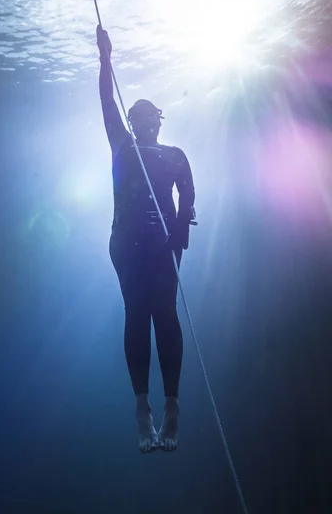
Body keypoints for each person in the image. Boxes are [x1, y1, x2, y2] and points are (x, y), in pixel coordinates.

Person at [97, 25, 196, 453]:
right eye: (135, 117)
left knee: (164, 314)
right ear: (132, 123)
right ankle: (144, 407)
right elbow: (105, 101)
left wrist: (177, 236)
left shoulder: (174, 155)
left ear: (159, 120)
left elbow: (188, 193)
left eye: (148, 116)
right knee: (137, 312)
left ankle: (171, 405)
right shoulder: (121, 144)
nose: (142, 122)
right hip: (126, 243)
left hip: (162, 246)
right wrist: (105, 61)